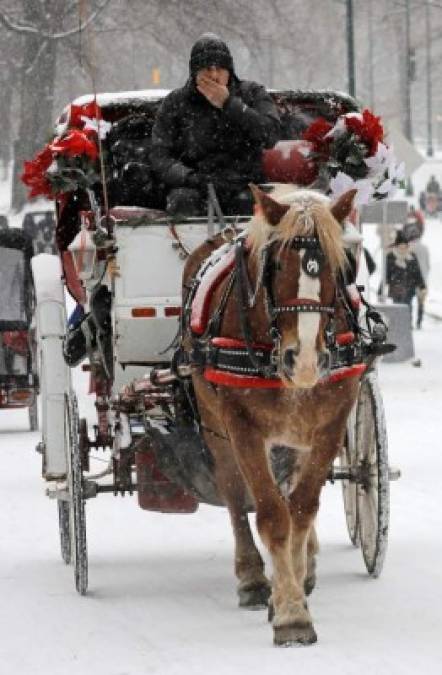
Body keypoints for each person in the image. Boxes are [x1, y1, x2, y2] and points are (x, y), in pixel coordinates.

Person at [150, 33, 281, 217]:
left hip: (245, 186)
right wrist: (189, 177)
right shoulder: (175, 102)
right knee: (181, 201)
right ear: (194, 72)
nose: (213, 75)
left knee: (258, 207)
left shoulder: (252, 93)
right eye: (206, 68)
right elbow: (159, 155)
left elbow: (270, 134)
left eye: (220, 68)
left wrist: (229, 104)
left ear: (229, 70)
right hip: (196, 188)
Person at [386, 230, 426, 321]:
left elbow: (417, 273)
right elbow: (386, 275)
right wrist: (381, 290)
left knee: (408, 308)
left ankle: (407, 326)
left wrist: (422, 286)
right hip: (396, 288)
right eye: (401, 246)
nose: (403, 249)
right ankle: (399, 325)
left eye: (405, 246)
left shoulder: (412, 257)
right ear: (397, 246)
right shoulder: (390, 257)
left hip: (409, 288)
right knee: (397, 308)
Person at [409, 231, 430, 329]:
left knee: (409, 301)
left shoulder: (409, 247)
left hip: (411, 278)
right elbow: (428, 264)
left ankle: (410, 321)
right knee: (421, 302)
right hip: (423, 279)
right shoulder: (425, 248)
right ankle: (419, 321)